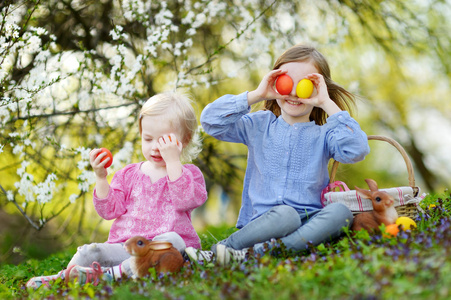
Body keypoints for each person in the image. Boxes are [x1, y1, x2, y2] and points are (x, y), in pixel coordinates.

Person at [186, 44, 370, 265]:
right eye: (287, 82)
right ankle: (225, 249)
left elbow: (357, 149)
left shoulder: (325, 135)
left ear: (319, 89)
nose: (293, 92)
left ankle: (257, 253)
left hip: (307, 224)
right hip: (264, 223)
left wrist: (327, 103)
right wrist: (257, 94)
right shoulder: (259, 125)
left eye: (304, 85)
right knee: (286, 214)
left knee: (341, 213)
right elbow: (210, 121)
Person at [26, 92, 208, 288]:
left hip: (163, 252)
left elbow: (185, 200)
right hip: (125, 248)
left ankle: (110, 275)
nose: (155, 147)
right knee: (90, 251)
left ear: (185, 139)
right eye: (148, 139)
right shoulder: (128, 174)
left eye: (164, 141)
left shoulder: (189, 174)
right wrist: (101, 177)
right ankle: (64, 278)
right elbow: (109, 211)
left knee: (173, 240)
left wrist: (172, 161)